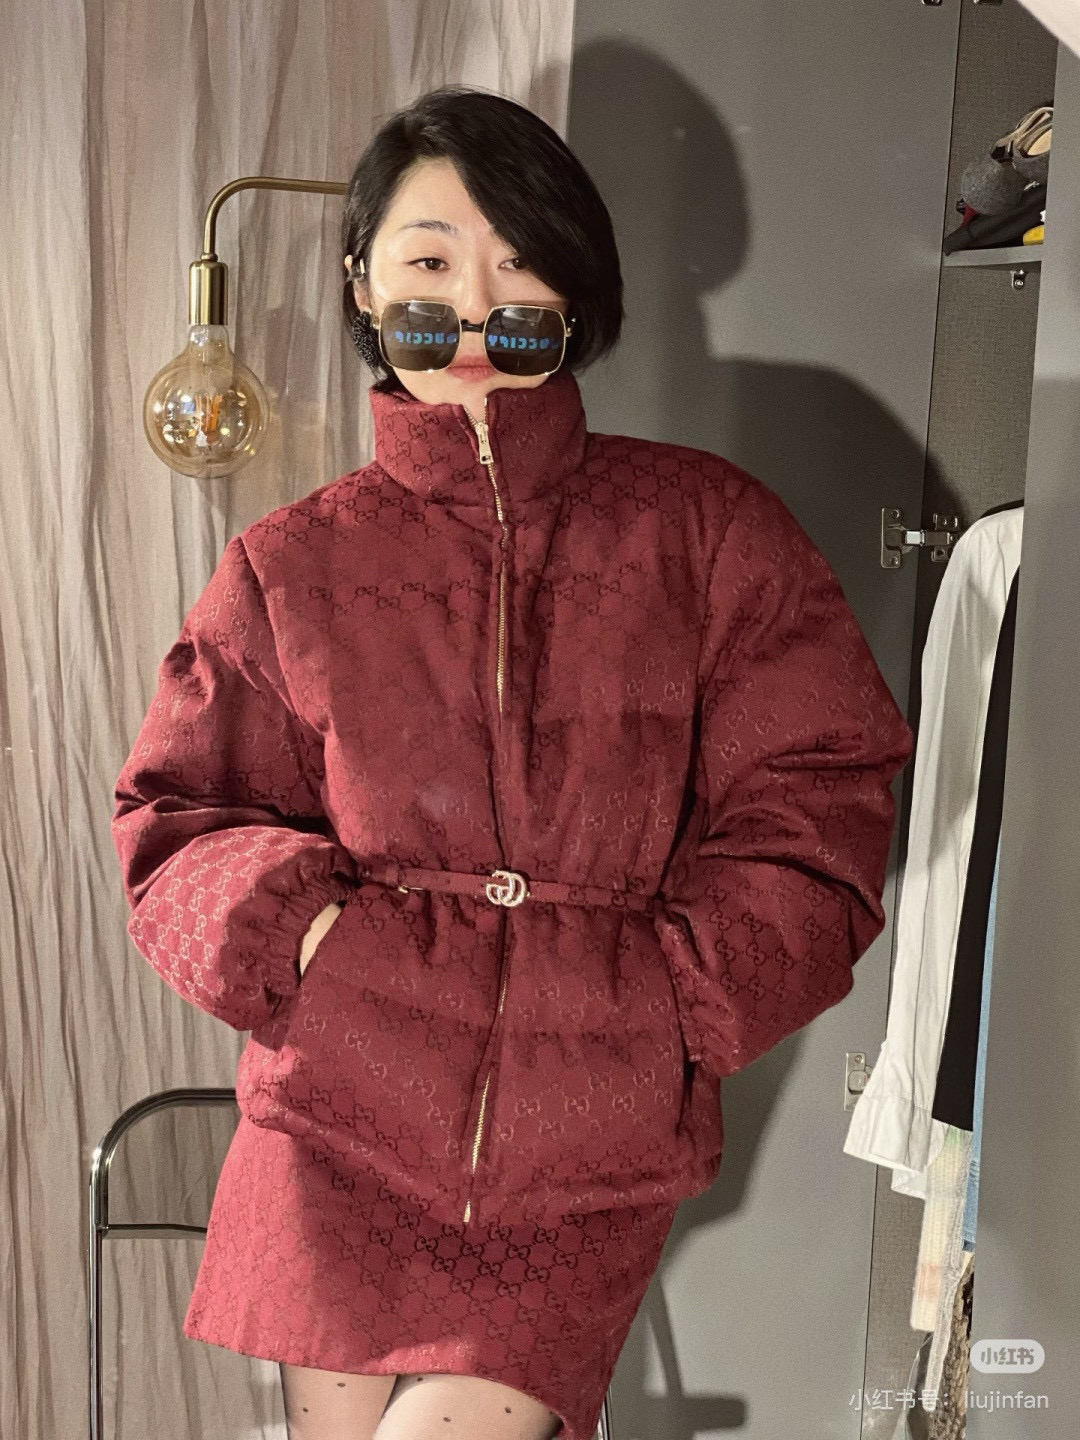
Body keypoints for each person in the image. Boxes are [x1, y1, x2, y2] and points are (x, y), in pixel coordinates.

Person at [111, 85, 914, 1440]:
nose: (473, 310)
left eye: (515, 264)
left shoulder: (709, 531)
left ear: (573, 288)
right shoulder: (290, 564)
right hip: (336, 1132)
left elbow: (820, 795)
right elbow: (180, 816)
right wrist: (312, 941)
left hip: (583, 1149)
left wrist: (678, 999)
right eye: (429, 263)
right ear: (364, 282)